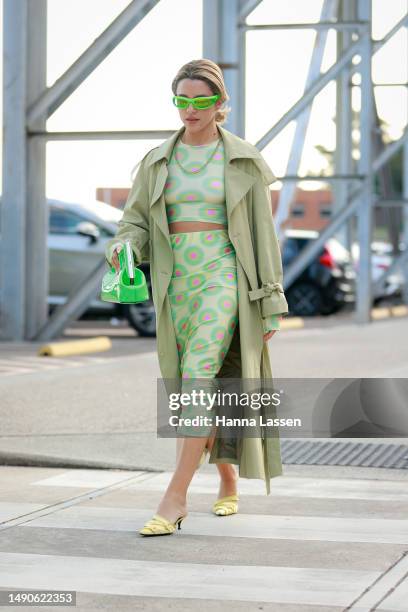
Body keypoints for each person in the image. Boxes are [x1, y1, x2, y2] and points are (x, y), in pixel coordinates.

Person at [105, 59, 287, 536]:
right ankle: (227, 480)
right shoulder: (156, 161)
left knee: (200, 376)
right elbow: (135, 221)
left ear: (220, 104)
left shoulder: (242, 158)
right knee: (200, 383)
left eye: (201, 101)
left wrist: (271, 300)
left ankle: (175, 496)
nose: (190, 109)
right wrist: (124, 246)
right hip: (175, 280)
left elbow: (263, 237)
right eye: (182, 101)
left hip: (224, 274)